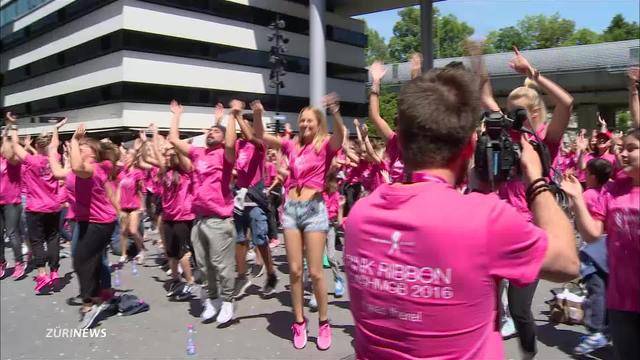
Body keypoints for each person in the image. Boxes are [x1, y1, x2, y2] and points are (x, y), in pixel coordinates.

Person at [345, 64, 579, 359]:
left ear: (400, 144)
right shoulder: (484, 220)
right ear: (471, 148)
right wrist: (536, 181)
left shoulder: (359, 216)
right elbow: (567, 263)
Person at [481, 46, 574, 359]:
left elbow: (567, 103)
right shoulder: (504, 138)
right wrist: (479, 63)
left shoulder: (545, 140)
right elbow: (486, 99)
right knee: (489, 307)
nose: (510, 118)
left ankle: (529, 352)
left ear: (534, 115)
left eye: (517, 113)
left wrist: (533, 74)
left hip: (529, 237)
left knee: (521, 311)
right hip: (497, 232)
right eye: (509, 112)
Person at [254, 94, 346, 350]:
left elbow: (340, 135)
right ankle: (299, 321)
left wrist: (335, 112)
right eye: (302, 121)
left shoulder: (325, 145)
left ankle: (324, 322)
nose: (305, 124)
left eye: (309, 121)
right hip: (292, 210)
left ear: (318, 124)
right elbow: (261, 135)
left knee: (316, 272)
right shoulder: (290, 145)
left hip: (314, 209)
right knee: (295, 271)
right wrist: (259, 113)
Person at [562, 128, 640, 360]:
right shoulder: (614, 189)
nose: (622, 153)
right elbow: (593, 235)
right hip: (621, 300)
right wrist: (576, 198)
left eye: (631, 148)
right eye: (622, 148)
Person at [168, 99, 238, 325]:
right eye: (209, 131)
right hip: (199, 220)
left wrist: (231, 116)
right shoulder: (198, 153)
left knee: (222, 265)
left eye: (216, 132)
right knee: (205, 266)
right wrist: (177, 115)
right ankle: (213, 299)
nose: (211, 133)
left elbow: (230, 143)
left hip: (219, 220)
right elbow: (173, 140)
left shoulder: (225, 157)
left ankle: (227, 302)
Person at [67, 124, 119, 329]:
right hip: (86, 220)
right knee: (92, 260)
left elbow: (77, 167)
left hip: (100, 222)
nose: (79, 148)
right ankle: (99, 296)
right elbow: (58, 170)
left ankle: (89, 304)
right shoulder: (87, 169)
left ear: (93, 153)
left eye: (83, 146)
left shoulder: (92, 168)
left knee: (81, 260)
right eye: (78, 147)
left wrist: (73, 140)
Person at [7, 112, 62, 294]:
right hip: (53, 206)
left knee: (37, 241)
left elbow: (15, 145)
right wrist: (56, 128)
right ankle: (54, 272)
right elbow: (54, 145)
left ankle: (42, 273)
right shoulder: (56, 159)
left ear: (37, 145)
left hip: (35, 208)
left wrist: (14, 125)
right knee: (53, 238)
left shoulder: (31, 160)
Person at [232, 100, 278, 298]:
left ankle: (270, 273)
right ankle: (241, 276)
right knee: (240, 239)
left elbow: (251, 135)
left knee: (260, 240)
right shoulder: (237, 145)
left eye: (246, 125)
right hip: (240, 199)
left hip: (256, 199)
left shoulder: (259, 145)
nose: (243, 129)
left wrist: (237, 115)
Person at [146, 122, 196, 302]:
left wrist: (173, 143)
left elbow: (180, 154)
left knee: (181, 251)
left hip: (184, 216)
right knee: (170, 251)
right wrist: (154, 136)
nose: (165, 157)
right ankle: (176, 279)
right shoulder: (163, 171)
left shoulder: (185, 170)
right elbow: (156, 154)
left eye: (169, 155)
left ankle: (190, 281)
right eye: (165, 155)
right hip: (169, 216)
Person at [569, 158, 613, 355]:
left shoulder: (587, 195)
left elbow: (572, 208)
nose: (584, 175)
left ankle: (596, 331)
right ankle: (604, 329)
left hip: (592, 248)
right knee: (604, 288)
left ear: (593, 176)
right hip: (607, 247)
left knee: (595, 289)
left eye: (586, 173)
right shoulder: (608, 192)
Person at [116, 136, 148, 265]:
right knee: (123, 231)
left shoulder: (138, 173)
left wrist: (143, 206)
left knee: (133, 230)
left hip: (135, 206)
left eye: (129, 157)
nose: (126, 159)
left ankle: (141, 250)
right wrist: (117, 205)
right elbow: (119, 188)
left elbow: (142, 190)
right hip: (123, 206)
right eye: (125, 157)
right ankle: (124, 254)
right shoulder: (121, 173)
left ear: (134, 160)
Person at [0, 122, 25, 280]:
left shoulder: (13, 162)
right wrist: (4, 133)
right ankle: (1, 263)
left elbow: (10, 152)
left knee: (12, 233)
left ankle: (19, 263)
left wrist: (9, 131)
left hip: (12, 202)